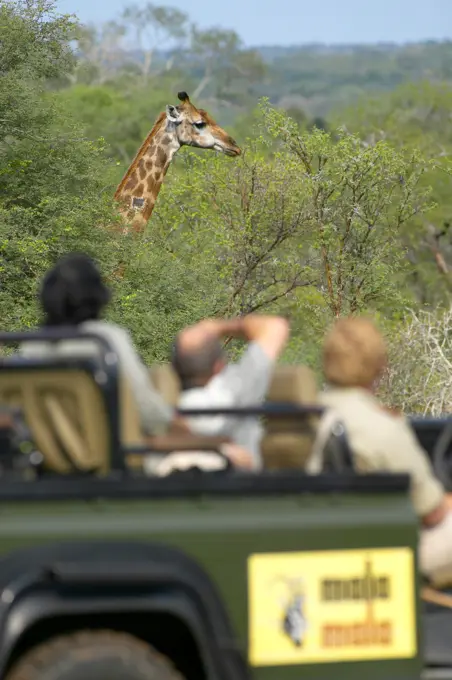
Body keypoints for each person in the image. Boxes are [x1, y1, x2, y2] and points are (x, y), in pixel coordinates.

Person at [309, 316, 452, 584]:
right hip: (377, 555)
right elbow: (432, 512)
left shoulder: (301, 419)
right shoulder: (381, 427)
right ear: (378, 365)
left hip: (315, 544)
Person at [19, 253, 180, 436]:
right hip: (111, 454)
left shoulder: (32, 345)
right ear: (97, 296)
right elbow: (146, 409)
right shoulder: (105, 340)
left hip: (48, 456)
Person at [171, 314, 290, 470]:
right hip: (243, 487)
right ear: (219, 366)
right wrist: (218, 327)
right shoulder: (235, 389)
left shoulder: (165, 411)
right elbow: (276, 326)